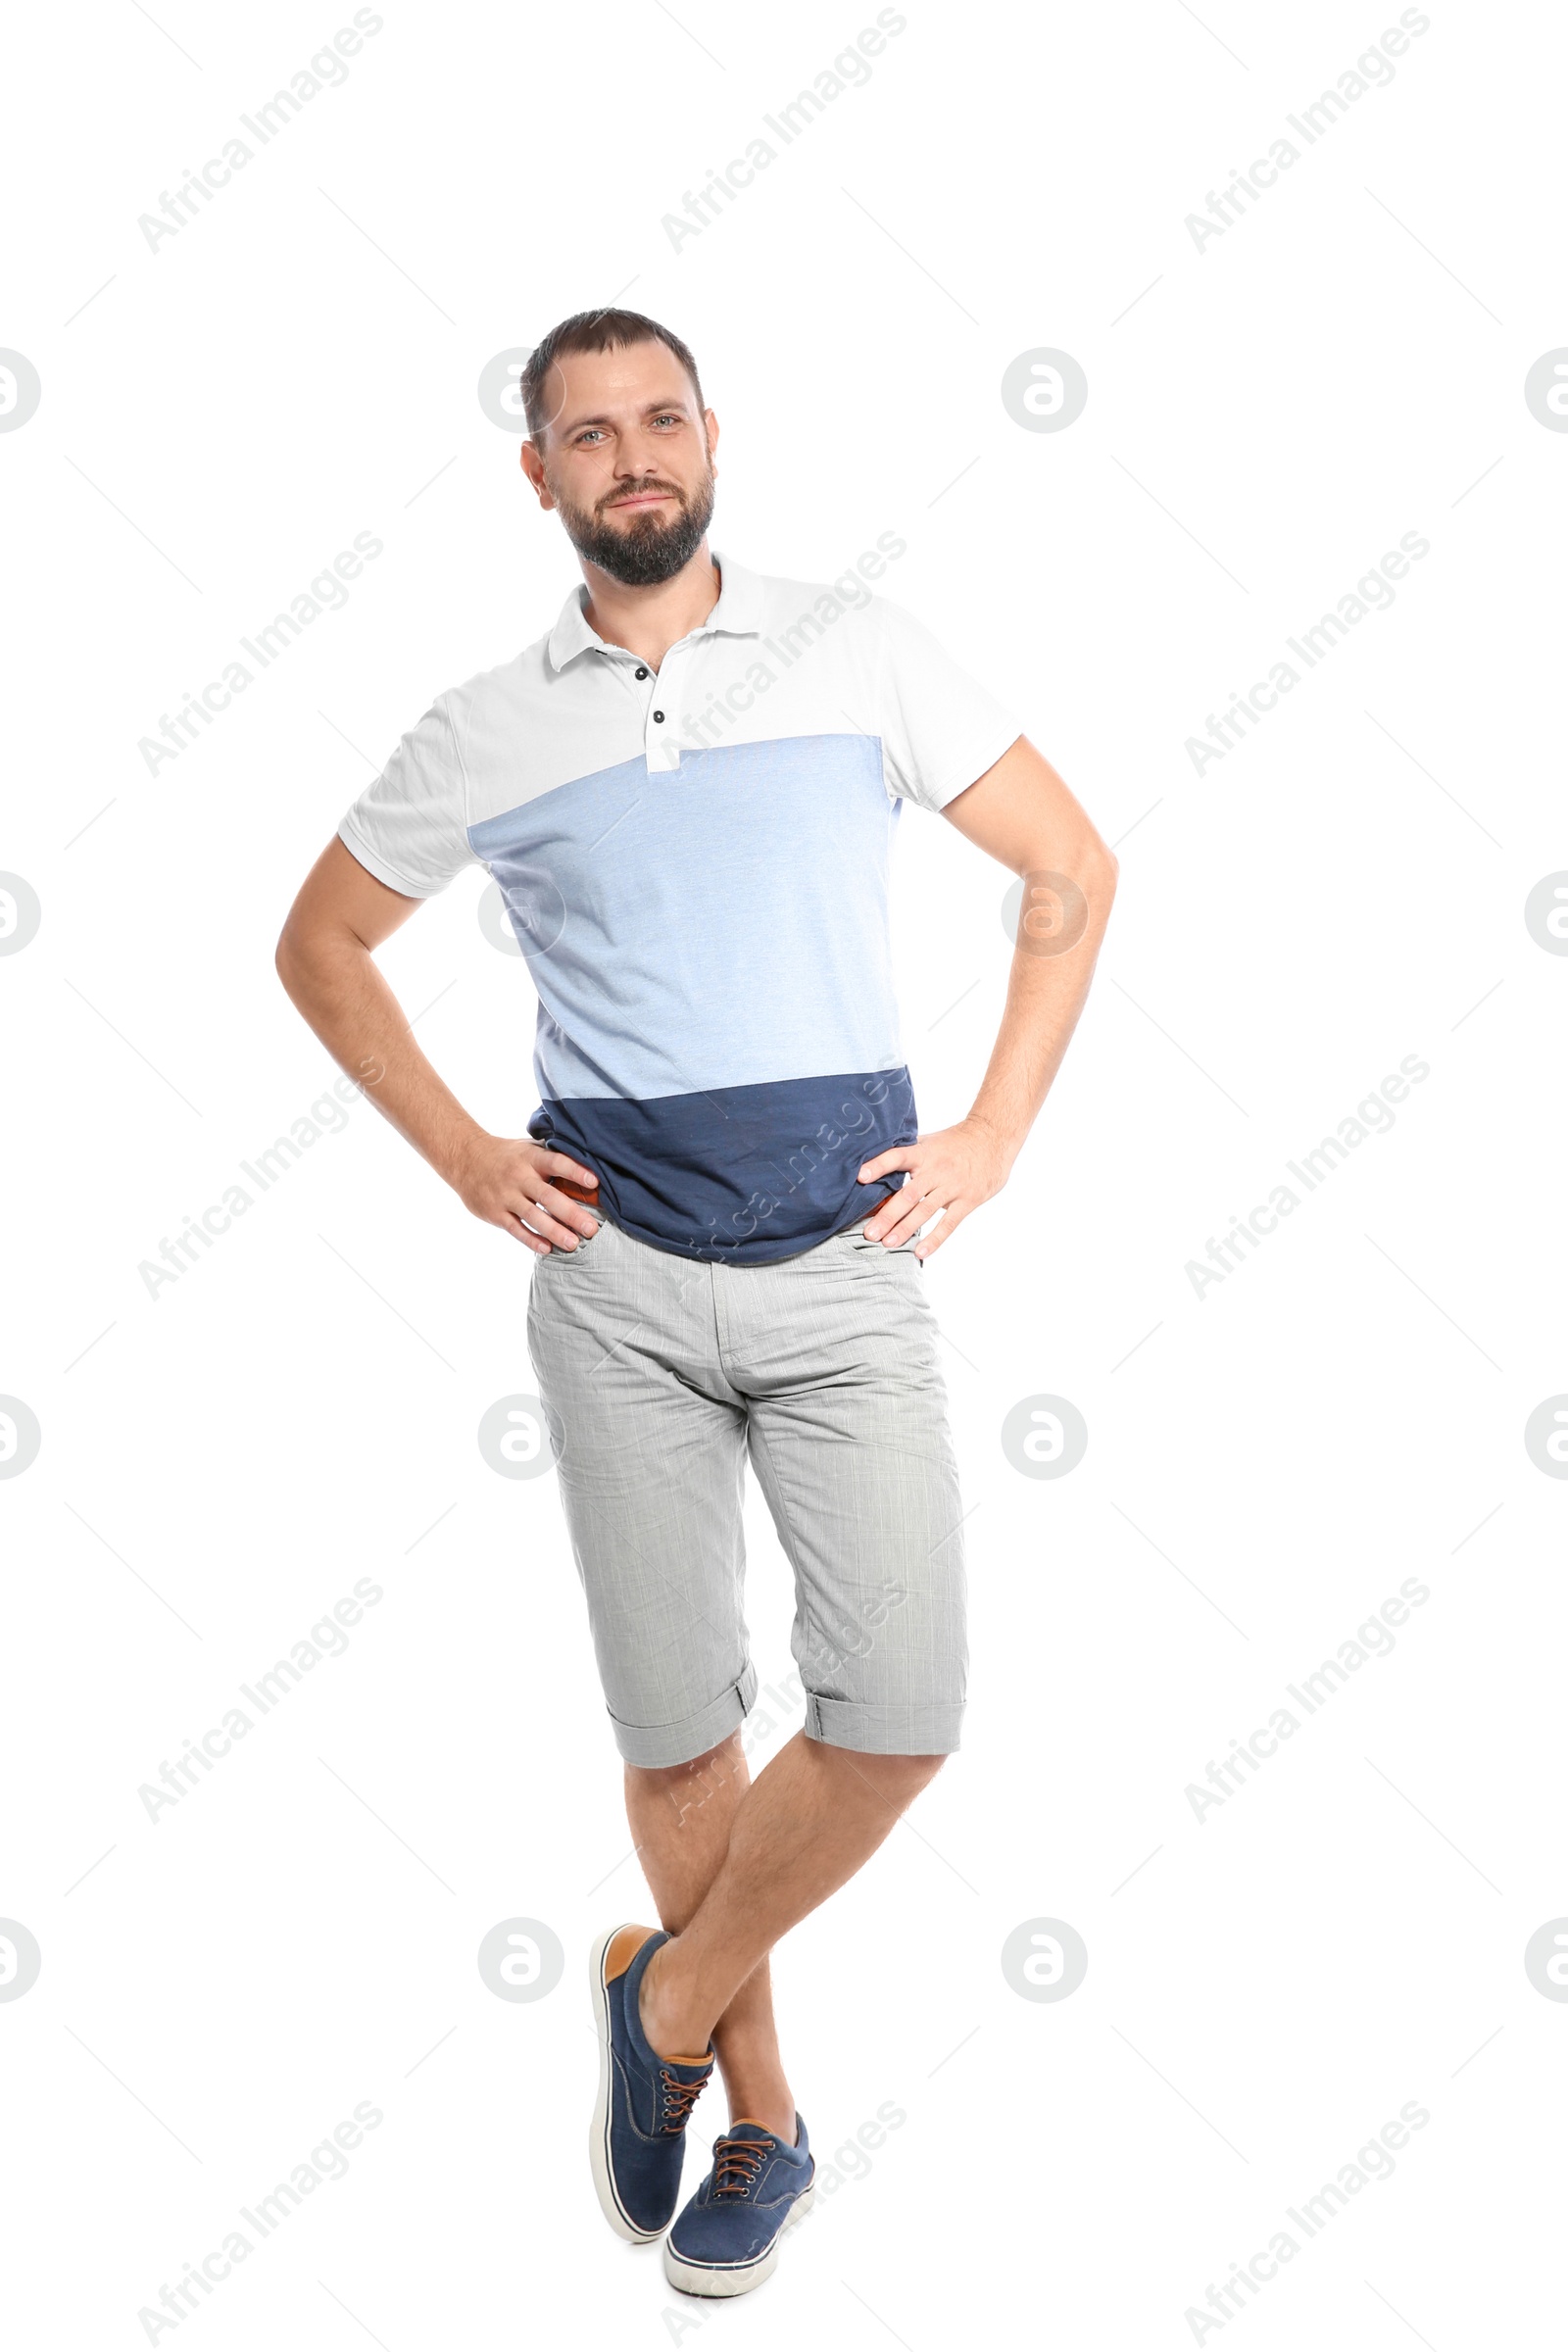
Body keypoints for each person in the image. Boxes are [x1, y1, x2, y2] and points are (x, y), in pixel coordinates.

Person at [275, 307, 1117, 2298]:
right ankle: (762, 2124)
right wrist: (467, 1155)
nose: (630, 454)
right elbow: (316, 947)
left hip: (848, 1267)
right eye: (589, 433)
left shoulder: (861, 649)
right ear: (539, 476)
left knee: (895, 1721)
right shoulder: (482, 728)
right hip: (614, 1290)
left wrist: (993, 1128)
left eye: (659, 419)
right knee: (678, 1738)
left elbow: (1067, 871)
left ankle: (654, 2013)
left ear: (710, 438)